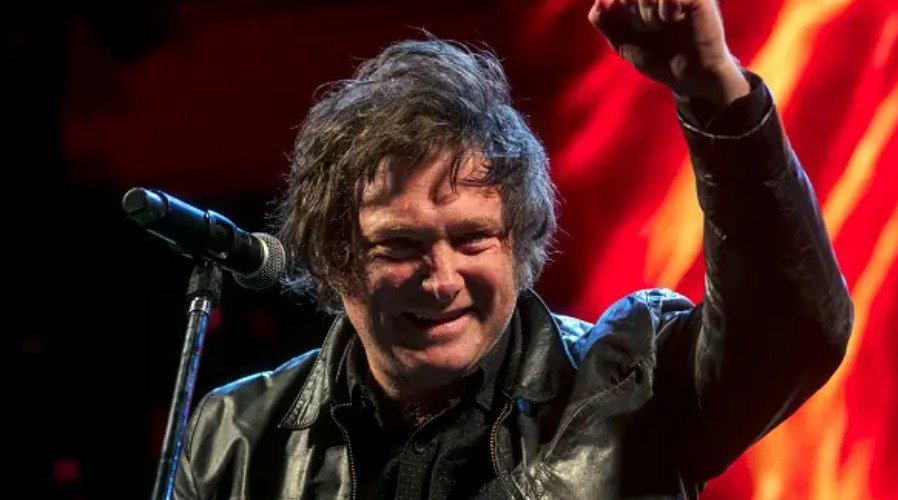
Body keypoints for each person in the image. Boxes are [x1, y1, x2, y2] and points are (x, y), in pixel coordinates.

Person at [174, 0, 853, 498]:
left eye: (473, 238)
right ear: (332, 257)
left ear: (519, 243)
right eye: (399, 245)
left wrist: (714, 92)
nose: (441, 279)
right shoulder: (234, 434)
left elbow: (793, 331)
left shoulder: (631, 384)